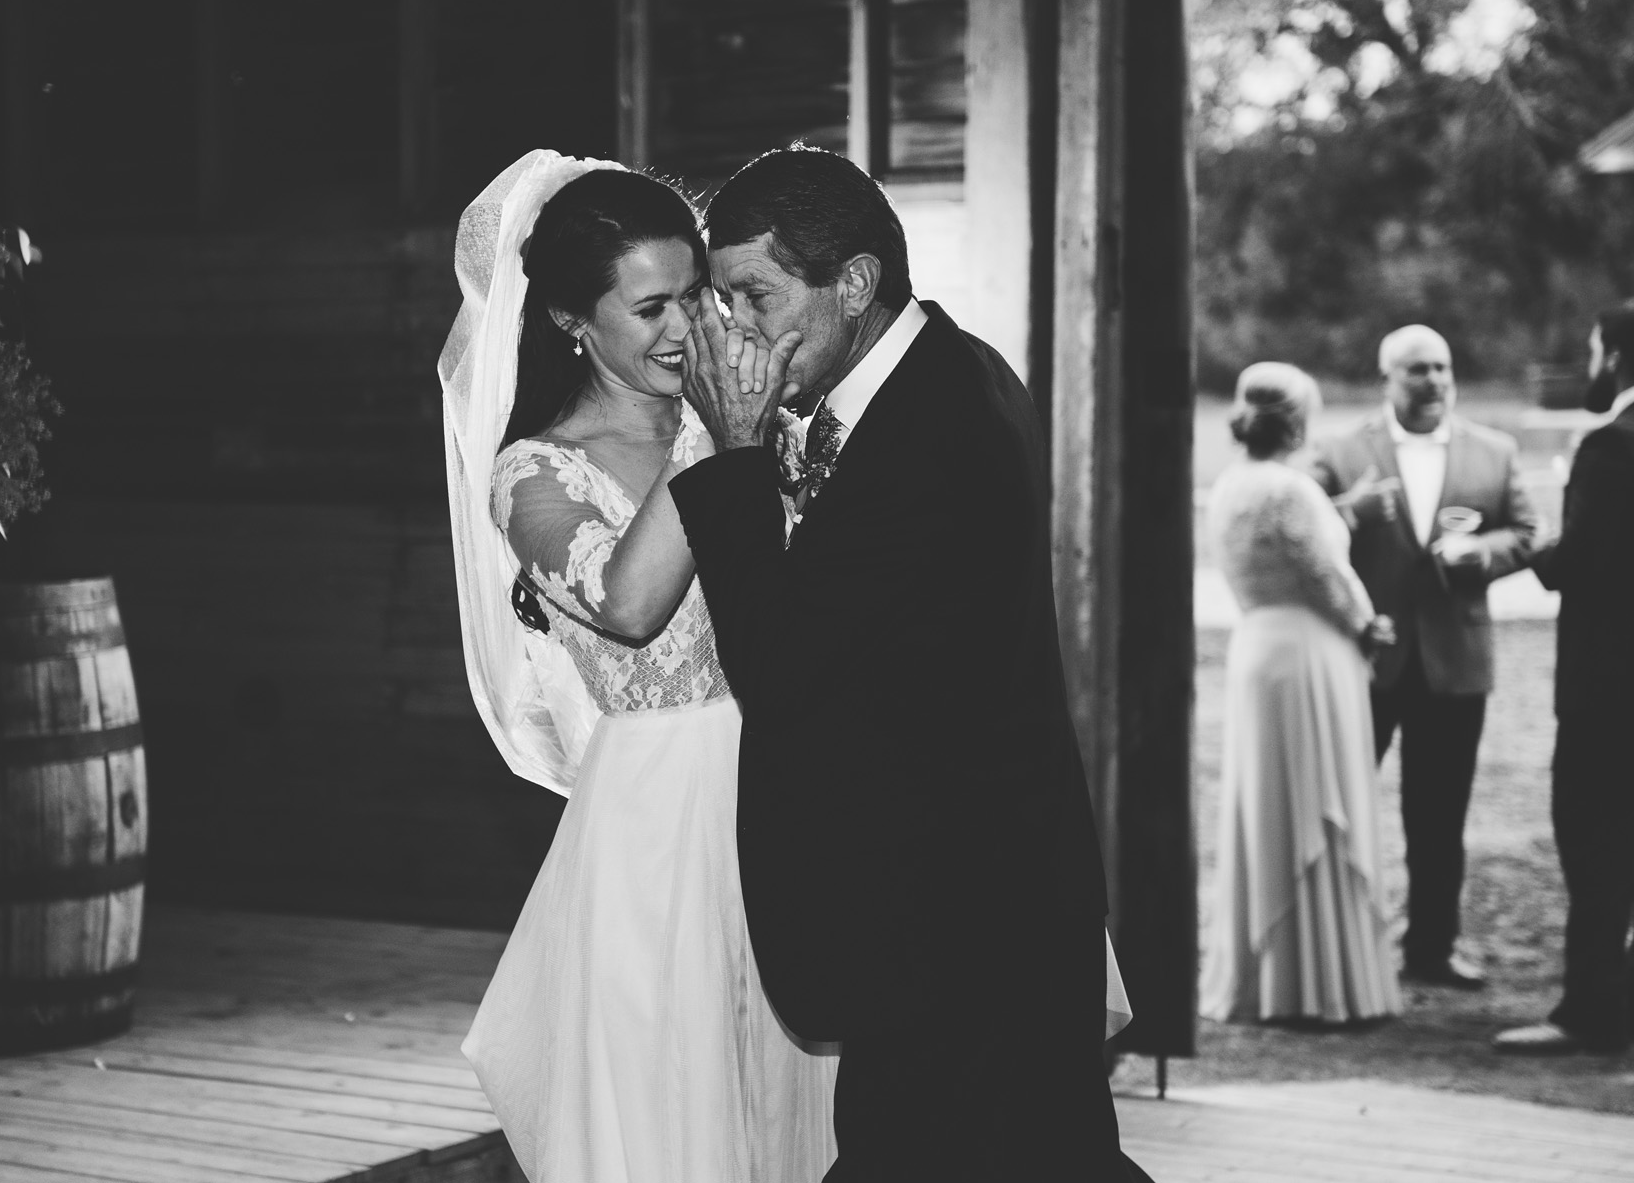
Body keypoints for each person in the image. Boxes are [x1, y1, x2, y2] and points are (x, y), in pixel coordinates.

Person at [668, 146, 1145, 1182]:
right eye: (725, 300)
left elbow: (781, 661)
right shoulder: (947, 369)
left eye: (754, 294)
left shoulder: (930, 427)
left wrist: (737, 456)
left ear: (852, 283)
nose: (736, 330)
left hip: (959, 910)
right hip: (967, 891)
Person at [439, 151, 836, 1181]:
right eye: (650, 306)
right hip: (659, 836)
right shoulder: (534, 473)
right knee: (680, 1129)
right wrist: (714, 430)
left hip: (795, 797)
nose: (683, 329)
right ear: (573, 322)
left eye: (696, 297)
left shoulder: (774, 426)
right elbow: (629, 601)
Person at [1309, 325, 1539, 989]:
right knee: (1342, 806)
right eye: (1417, 370)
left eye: (1441, 367)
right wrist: (1349, 510)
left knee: (1440, 817)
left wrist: (1481, 554)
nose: (1434, 379)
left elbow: (1525, 531)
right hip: (1367, 659)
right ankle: (1336, 948)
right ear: (1386, 378)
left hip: (1455, 662)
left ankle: (1433, 949)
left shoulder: (1493, 452)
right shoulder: (1344, 451)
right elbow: (1300, 522)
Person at [1494, 302, 1634, 1054]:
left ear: (1614, 356)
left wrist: (1529, 553)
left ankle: (1590, 1010)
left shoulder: (1612, 446)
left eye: (1594, 349)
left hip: (1613, 693)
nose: (1592, 361)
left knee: (1596, 846)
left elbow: (1584, 561)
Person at [1199, 362, 1402, 1025]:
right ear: (1297, 422)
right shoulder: (1293, 489)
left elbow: (1282, 552)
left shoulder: (1229, 484)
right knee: (1318, 798)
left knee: (1269, 804)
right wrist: (1369, 626)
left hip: (1258, 646)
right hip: (1311, 654)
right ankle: (1321, 981)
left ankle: (1269, 973)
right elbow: (1326, 575)